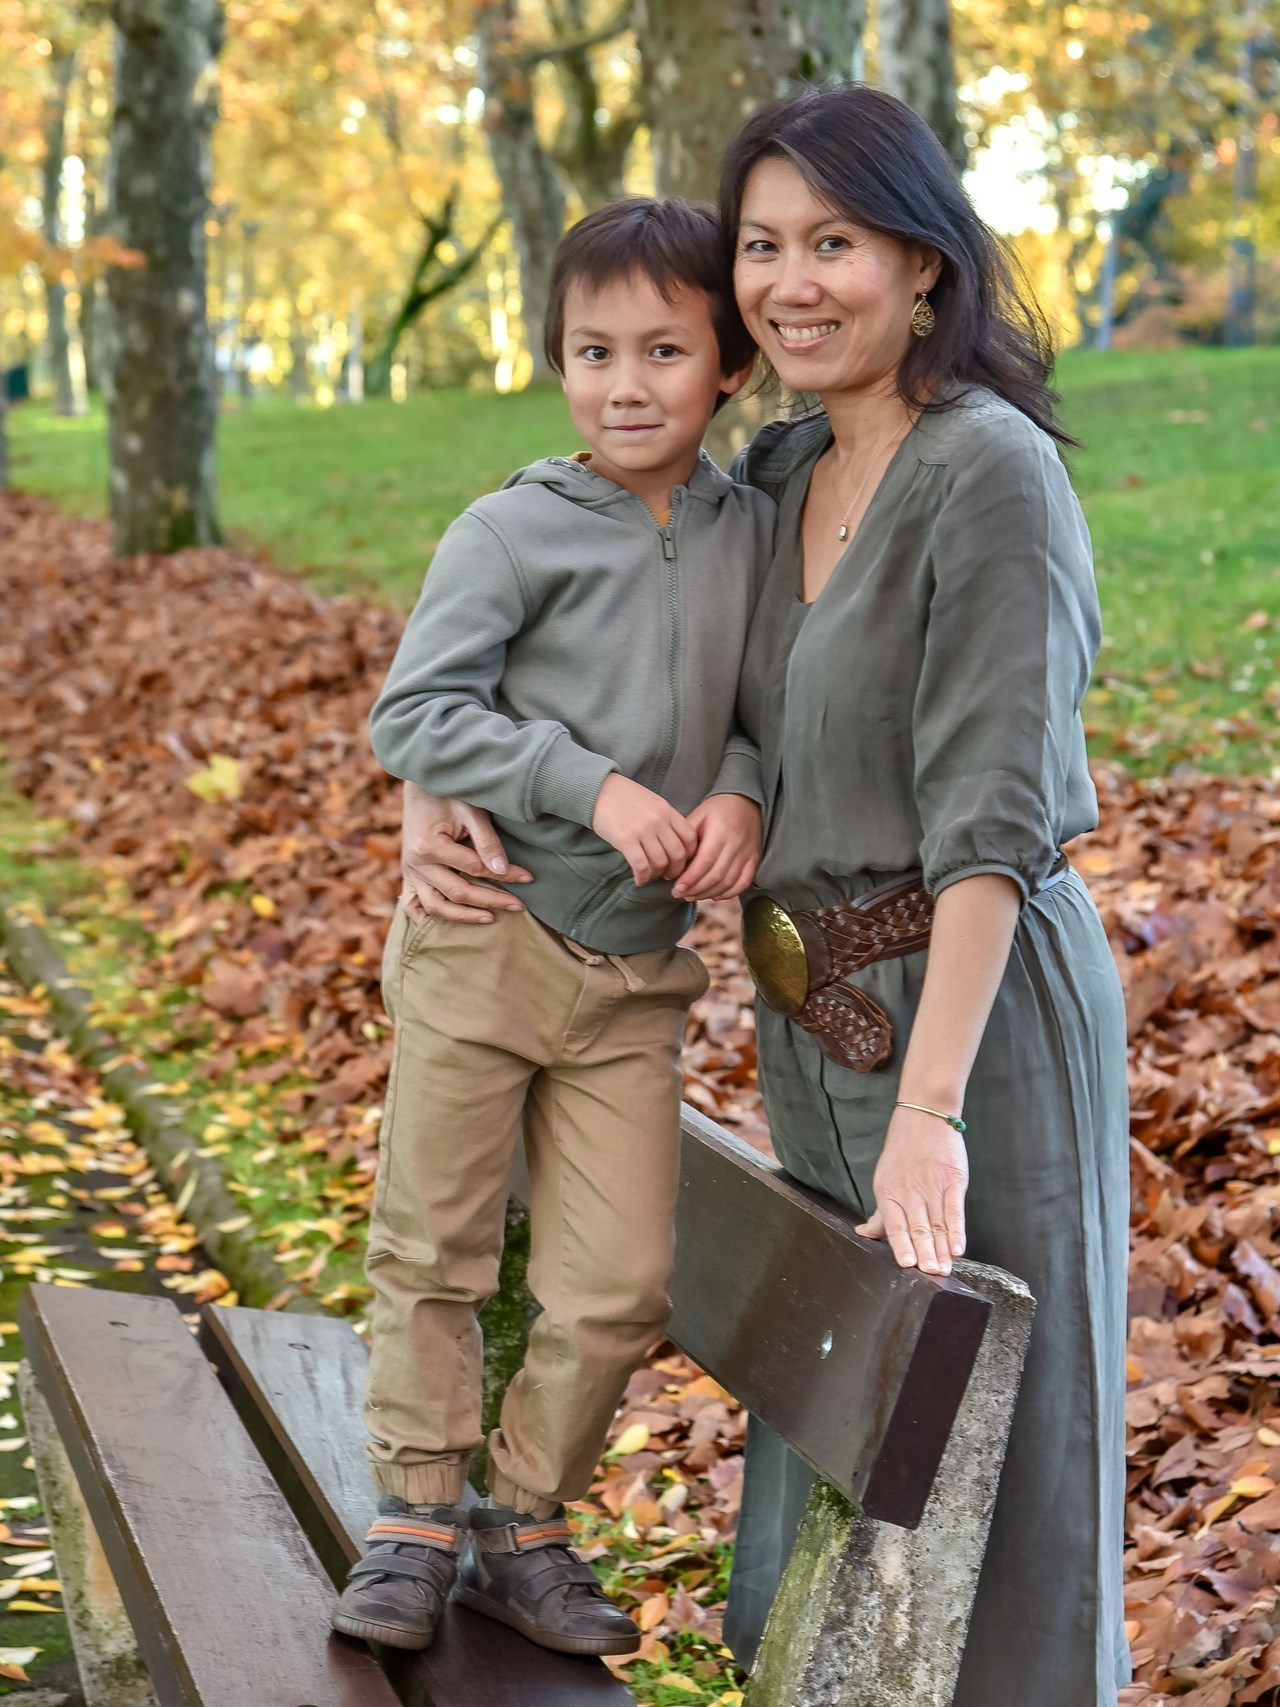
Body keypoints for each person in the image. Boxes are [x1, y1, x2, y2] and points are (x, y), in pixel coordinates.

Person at [395, 85, 1129, 1707]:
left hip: (971, 1027)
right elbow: (602, 670)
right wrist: (434, 794)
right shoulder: (777, 466)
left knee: (1001, 1473)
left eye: (837, 244)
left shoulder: (986, 474)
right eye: (765, 247)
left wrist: (930, 1108)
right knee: (839, 1443)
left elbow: (994, 826)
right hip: (814, 1033)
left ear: (924, 265)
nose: (792, 282)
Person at [332, 196, 775, 1658]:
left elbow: (762, 720)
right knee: (438, 1238)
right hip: (489, 936)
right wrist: (583, 786)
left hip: (640, 974)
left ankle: (524, 1520)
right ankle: (411, 1515)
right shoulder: (511, 529)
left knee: (616, 1278)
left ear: (729, 366)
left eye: (664, 349)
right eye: (593, 351)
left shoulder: (752, 532)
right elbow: (416, 714)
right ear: (559, 362)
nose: (627, 384)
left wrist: (739, 803)